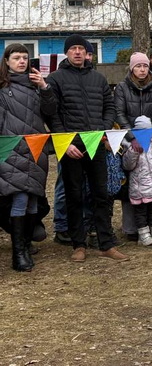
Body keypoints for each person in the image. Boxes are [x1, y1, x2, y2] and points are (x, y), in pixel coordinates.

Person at [47, 35, 127, 262]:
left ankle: (106, 243)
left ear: (86, 52)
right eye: (73, 48)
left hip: (96, 145)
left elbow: (109, 106)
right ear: (67, 52)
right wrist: (65, 142)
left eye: (81, 48)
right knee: (74, 195)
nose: (78, 52)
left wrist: (102, 130)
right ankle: (78, 244)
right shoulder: (55, 79)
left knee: (101, 194)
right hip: (71, 146)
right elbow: (52, 115)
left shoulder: (99, 79)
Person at [0, 44, 56, 271]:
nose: (22, 61)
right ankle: (18, 253)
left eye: (25, 58)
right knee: (20, 198)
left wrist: (45, 87)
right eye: (16, 58)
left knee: (33, 198)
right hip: (11, 150)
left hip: (36, 150)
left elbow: (50, 111)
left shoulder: (35, 87)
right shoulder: (2, 90)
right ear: (6, 61)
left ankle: (26, 244)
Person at [114, 52, 152, 241]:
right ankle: (133, 227)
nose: (142, 70)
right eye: (138, 66)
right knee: (131, 182)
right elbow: (119, 113)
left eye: (145, 66)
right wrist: (131, 137)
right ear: (131, 68)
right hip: (129, 138)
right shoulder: (122, 88)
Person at [122, 116, 152, 246]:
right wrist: (133, 153)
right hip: (140, 186)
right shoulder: (131, 147)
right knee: (141, 213)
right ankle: (143, 235)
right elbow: (128, 166)